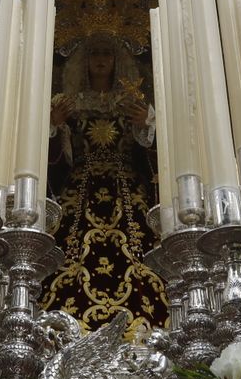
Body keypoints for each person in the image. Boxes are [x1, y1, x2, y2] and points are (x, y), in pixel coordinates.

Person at [41, 33, 167, 337]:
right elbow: (54, 159)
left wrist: (147, 124)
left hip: (127, 190)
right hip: (79, 189)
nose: (100, 59)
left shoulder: (134, 105)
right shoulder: (66, 104)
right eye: (94, 53)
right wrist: (54, 124)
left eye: (106, 54)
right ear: (83, 61)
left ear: (117, 62)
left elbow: (156, 155)